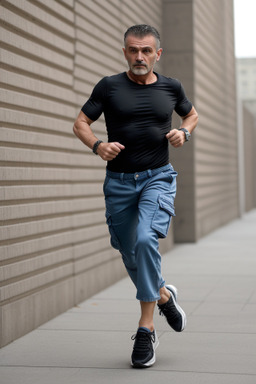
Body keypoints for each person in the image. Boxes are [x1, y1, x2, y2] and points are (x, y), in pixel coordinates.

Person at [73, 24, 198, 368]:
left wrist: (183, 133)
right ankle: (162, 295)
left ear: (158, 54)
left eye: (146, 51)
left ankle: (146, 329)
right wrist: (98, 145)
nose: (139, 56)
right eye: (132, 50)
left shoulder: (172, 87)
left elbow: (191, 114)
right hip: (118, 183)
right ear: (125, 51)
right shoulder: (109, 86)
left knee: (145, 240)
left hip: (157, 178)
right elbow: (81, 122)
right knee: (128, 251)